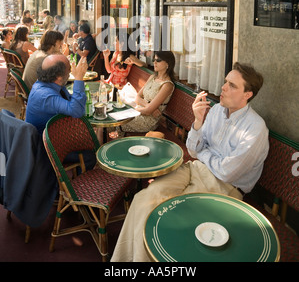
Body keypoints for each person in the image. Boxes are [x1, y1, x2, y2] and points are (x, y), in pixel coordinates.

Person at [111, 62, 269, 262]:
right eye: (225, 82)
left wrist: (204, 154)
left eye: (232, 85)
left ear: (248, 94)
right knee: (144, 198)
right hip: (195, 169)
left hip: (225, 187)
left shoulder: (255, 129)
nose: (223, 87)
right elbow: (194, 150)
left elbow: (228, 172)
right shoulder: (218, 110)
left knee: (168, 214)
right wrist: (197, 122)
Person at [25, 54, 95, 170]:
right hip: (46, 149)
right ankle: (74, 183)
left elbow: (71, 103)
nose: (71, 72)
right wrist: (79, 78)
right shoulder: (45, 95)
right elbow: (77, 111)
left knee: (88, 139)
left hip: (55, 136)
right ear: (58, 76)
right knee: (90, 155)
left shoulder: (49, 84)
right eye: (69, 70)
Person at [119, 51, 175, 135]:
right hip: (139, 112)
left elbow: (148, 112)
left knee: (117, 120)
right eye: (154, 60)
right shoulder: (153, 77)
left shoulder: (167, 85)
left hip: (148, 121)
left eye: (158, 60)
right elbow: (137, 97)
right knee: (112, 117)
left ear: (168, 63)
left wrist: (132, 110)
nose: (154, 62)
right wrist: (150, 106)